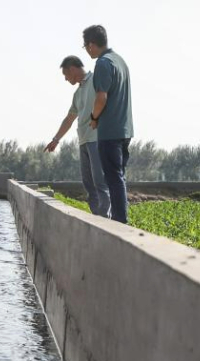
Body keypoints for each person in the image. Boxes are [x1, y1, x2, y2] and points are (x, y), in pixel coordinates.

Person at [44, 56, 110, 218]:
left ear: (72, 69)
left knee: (100, 182)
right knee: (89, 184)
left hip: (97, 138)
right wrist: (56, 139)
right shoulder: (78, 92)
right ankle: (97, 218)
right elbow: (69, 118)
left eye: (66, 75)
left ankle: (106, 220)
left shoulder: (96, 80)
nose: (66, 79)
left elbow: (106, 100)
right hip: (84, 141)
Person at [83, 25, 133, 224]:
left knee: (112, 177)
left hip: (110, 131)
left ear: (92, 45)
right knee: (118, 176)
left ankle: (120, 222)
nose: (87, 50)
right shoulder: (120, 61)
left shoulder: (103, 63)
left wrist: (94, 118)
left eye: (86, 46)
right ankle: (121, 219)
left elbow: (101, 98)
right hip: (125, 129)